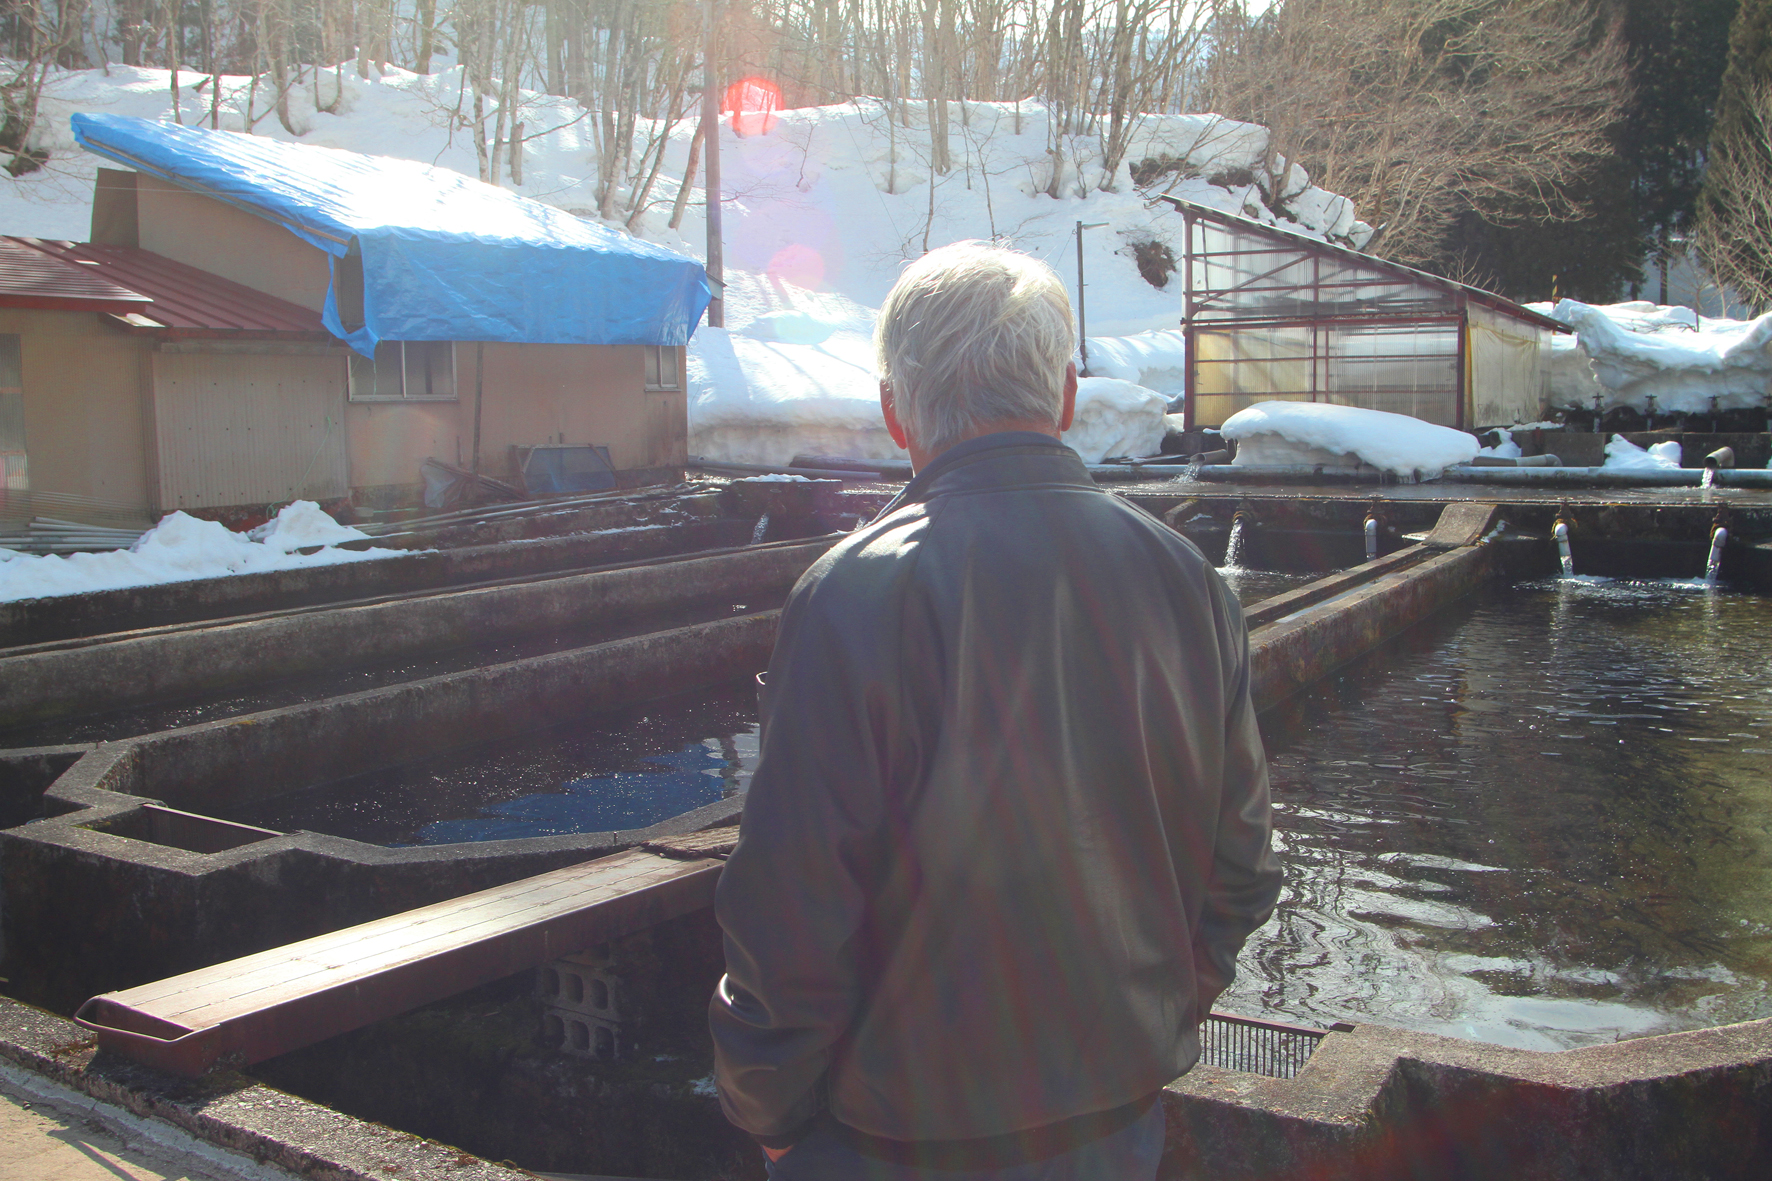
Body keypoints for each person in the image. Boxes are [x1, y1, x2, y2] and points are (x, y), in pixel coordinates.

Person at [708, 241, 1282, 1180]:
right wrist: (1159, 1009)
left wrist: (768, 1108)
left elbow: (789, 908)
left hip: (888, 1142)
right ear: (1064, 397)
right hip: (1111, 1127)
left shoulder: (852, 594)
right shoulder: (1187, 580)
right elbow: (1243, 867)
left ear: (896, 411)